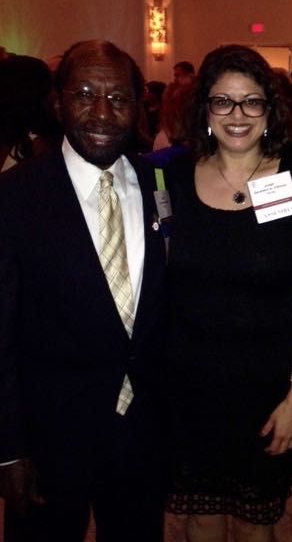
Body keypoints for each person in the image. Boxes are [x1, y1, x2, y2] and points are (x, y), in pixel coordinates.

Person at [0, 40, 169, 542]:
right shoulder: (14, 195)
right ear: (58, 101)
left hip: (143, 432)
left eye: (118, 98)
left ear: (138, 106)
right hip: (48, 436)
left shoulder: (161, 181)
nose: (101, 113)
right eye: (85, 94)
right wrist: (8, 449)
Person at [164, 44, 292, 542]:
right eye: (223, 101)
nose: (237, 115)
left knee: (256, 522)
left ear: (269, 109)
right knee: (201, 517)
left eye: (251, 101)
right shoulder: (172, 179)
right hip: (189, 388)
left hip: (268, 390)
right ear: (204, 109)